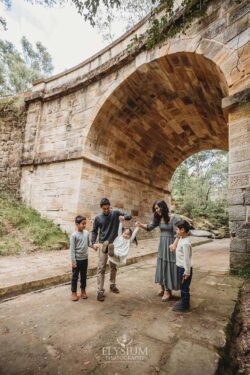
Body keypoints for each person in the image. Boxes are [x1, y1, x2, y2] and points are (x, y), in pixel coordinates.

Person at [136, 200, 180, 301]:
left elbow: (178, 233)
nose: (158, 210)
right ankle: (162, 287)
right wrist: (140, 225)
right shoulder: (158, 218)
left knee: (169, 266)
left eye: (159, 207)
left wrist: (174, 244)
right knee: (162, 265)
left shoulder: (174, 217)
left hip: (171, 245)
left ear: (164, 207)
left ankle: (168, 291)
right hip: (162, 244)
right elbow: (149, 227)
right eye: (156, 208)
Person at [92, 198, 132, 302]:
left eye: (107, 208)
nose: (106, 210)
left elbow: (129, 215)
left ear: (110, 206)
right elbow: (95, 231)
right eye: (104, 209)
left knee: (113, 267)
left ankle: (112, 285)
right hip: (102, 244)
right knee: (101, 268)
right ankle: (100, 291)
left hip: (114, 244)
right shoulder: (98, 218)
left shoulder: (115, 213)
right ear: (101, 208)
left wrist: (124, 217)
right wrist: (93, 243)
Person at [172, 220, 192, 312]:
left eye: (177, 229)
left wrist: (187, 272)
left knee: (184, 288)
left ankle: (185, 306)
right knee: (182, 286)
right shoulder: (181, 238)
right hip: (180, 267)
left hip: (184, 269)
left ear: (182, 230)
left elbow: (187, 259)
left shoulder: (186, 243)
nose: (176, 231)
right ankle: (183, 302)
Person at [70, 215, 90, 302]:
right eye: (83, 224)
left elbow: (88, 243)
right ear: (77, 224)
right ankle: (74, 292)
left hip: (85, 259)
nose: (84, 225)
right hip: (77, 260)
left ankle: (83, 290)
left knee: (83, 276)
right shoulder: (73, 235)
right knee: (75, 277)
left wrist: (94, 246)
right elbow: (72, 250)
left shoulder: (86, 233)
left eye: (85, 223)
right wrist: (73, 261)